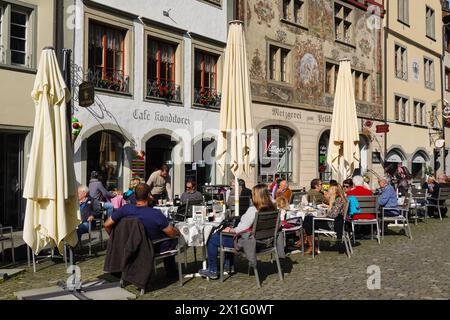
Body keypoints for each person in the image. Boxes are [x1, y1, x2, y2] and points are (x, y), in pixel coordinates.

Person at [199, 184, 276, 280]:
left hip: (250, 242)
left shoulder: (253, 210)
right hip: (265, 242)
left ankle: (212, 270)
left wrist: (231, 230)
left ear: (257, 196)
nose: (251, 196)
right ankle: (229, 266)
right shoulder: (272, 209)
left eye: (253, 194)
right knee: (227, 235)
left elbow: (242, 229)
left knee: (212, 238)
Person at [104, 183, 180, 278]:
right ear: (149, 195)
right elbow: (171, 233)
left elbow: (106, 224)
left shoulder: (124, 209)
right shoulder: (155, 213)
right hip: (149, 247)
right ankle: (171, 272)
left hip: (129, 246)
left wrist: (116, 239)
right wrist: (177, 231)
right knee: (172, 240)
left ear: (135, 196)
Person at [302, 185, 347, 255]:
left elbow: (333, 215)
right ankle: (310, 245)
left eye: (331, 189)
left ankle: (310, 245)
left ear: (336, 191)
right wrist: (329, 206)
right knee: (308, 219)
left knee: (308, 220)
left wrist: (329, 206)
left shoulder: (338, 199)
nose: (329, 190)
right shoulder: (339, 198)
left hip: (332, 224)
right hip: (334, 222)